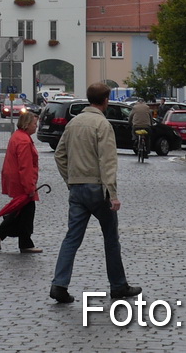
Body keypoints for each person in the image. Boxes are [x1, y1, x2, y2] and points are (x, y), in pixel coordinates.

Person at [48, 82, 140, 305]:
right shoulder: (102, 124)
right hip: (98, 189)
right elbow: (107, 162)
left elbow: (59, 155)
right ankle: (118, 285)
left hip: (77, 188)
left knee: (72, 238)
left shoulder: (74, 123)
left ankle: (59, 284)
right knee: (110, 238)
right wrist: (113, 193)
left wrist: (69, 179)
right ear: (106, 101)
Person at [0, 110, 42, 253]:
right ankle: (2, 233)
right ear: (27, 124)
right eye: (34, 124)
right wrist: (30, 187)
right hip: (21, 182)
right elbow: (25, 167)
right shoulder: (24, 140)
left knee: (22, 211)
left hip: (15, 179)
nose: (36, 126)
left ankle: (18, 239)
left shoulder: (18, 136)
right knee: (25, 211)